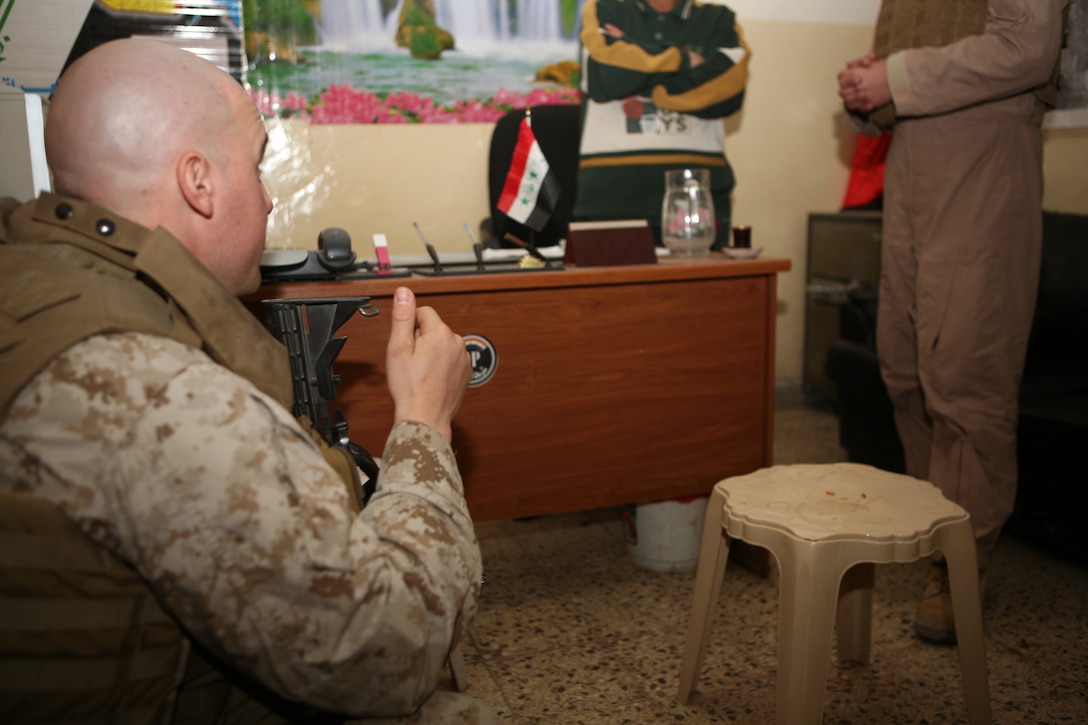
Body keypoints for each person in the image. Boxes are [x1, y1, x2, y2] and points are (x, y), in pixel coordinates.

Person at [0, 38, 499, 723]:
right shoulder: (155, 389)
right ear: (197, 182)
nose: (267, 203)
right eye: (257, 166)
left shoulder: (34, 286)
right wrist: (425, 421)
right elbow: (388, 650)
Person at [837, 0, 1068, 643]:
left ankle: (963, 562)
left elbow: (1029, 48)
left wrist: (897, 76)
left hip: (987, 146)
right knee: (904, 361)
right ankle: (935, 526)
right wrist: (868, 91)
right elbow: (907, 69)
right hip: (912, 149)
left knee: (966, 370)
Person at [573, 0, 750, 249]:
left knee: (700, 289)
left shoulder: (717, 19)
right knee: (609, 288)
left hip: (697, 200)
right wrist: (685, 60)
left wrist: (634, 54)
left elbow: (728, 89)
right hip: (610, 199)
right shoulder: (605, 9)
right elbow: (605, 74)